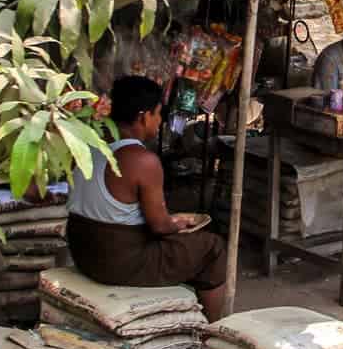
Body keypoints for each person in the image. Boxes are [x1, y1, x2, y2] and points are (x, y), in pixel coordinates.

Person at [66, 75, 227, 321]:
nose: (160, 121)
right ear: (143, 116)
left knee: (182, 248)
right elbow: (159, 226)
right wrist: (178, 223)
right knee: (212, 247)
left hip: (83, 252)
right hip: (118, 263)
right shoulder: (143, 161)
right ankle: (215, 331)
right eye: (159, 114)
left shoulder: (88, 145)